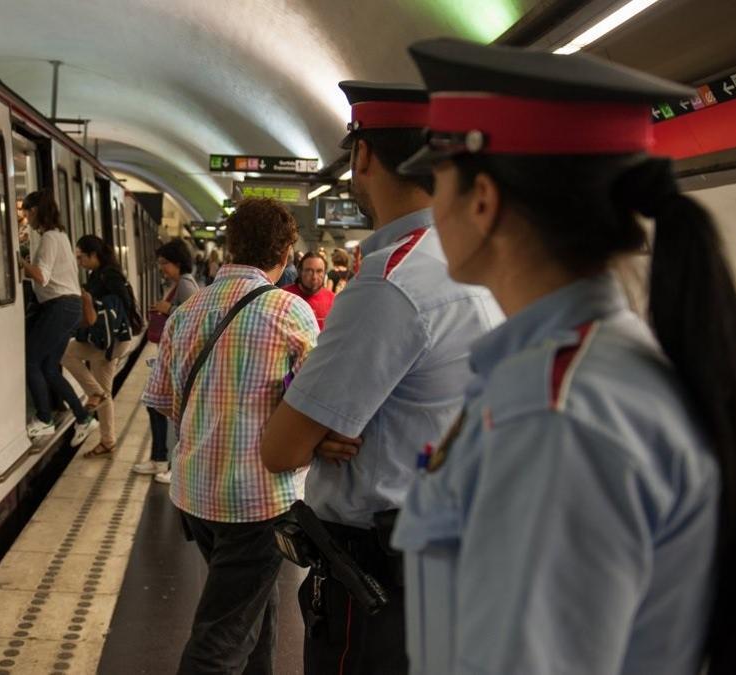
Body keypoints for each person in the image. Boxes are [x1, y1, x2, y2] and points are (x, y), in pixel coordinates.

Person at [389, 38, 736, 674]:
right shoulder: (594, 373)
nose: (432, 206)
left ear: (483, 201)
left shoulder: (554, 418)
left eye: (437, 180)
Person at [260, 80, 501, 674]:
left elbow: (280, 448)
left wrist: (316, 429)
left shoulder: (391, 283)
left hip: (380, 583)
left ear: (363, 156)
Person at [143, 198, 319, 675]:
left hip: (196, 495)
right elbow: (317, 407)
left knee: (253, 614)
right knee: (219, 639)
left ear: (230, 245)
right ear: (284, 253)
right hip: (258, 501)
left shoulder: (188, 309)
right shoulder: (290, 312)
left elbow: (161, 400)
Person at [18, 189, 100, 444]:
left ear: (34, 211)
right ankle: (84, 418)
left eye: (26, 214)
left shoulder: (50, 238)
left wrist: (18, 261)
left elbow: (42, 275)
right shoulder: (60, 236)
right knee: (51, 368)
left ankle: (44, 419)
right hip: (68, 307)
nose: (26, 220)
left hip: (60, 307)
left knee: (31, 360)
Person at [62, 235, 138, 457]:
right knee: (106, 393)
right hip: (110, 340)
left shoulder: (108, 276)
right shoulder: (102, 274)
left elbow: (116, 309)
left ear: (94, 255)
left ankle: (96, 394)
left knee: (66, 352)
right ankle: (108, 441)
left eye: (81, 257)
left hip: (110, 341)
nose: (79, 262)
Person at [133, 238, 200, 483]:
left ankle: (173, 464)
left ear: (177, 263)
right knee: (154, 404)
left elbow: (194, 317)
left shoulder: (185, 284)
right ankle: (160, 458)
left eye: (165, 263)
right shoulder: (181, 283)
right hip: (172, 355)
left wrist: (167, 309)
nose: (162, 268)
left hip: (180, 358)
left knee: (172, 410)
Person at [280, 251, 335, 330]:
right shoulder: (284, 296)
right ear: (300, 271)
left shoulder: (333, 300)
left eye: (319, 271)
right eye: (309, 271)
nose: (314, 277)